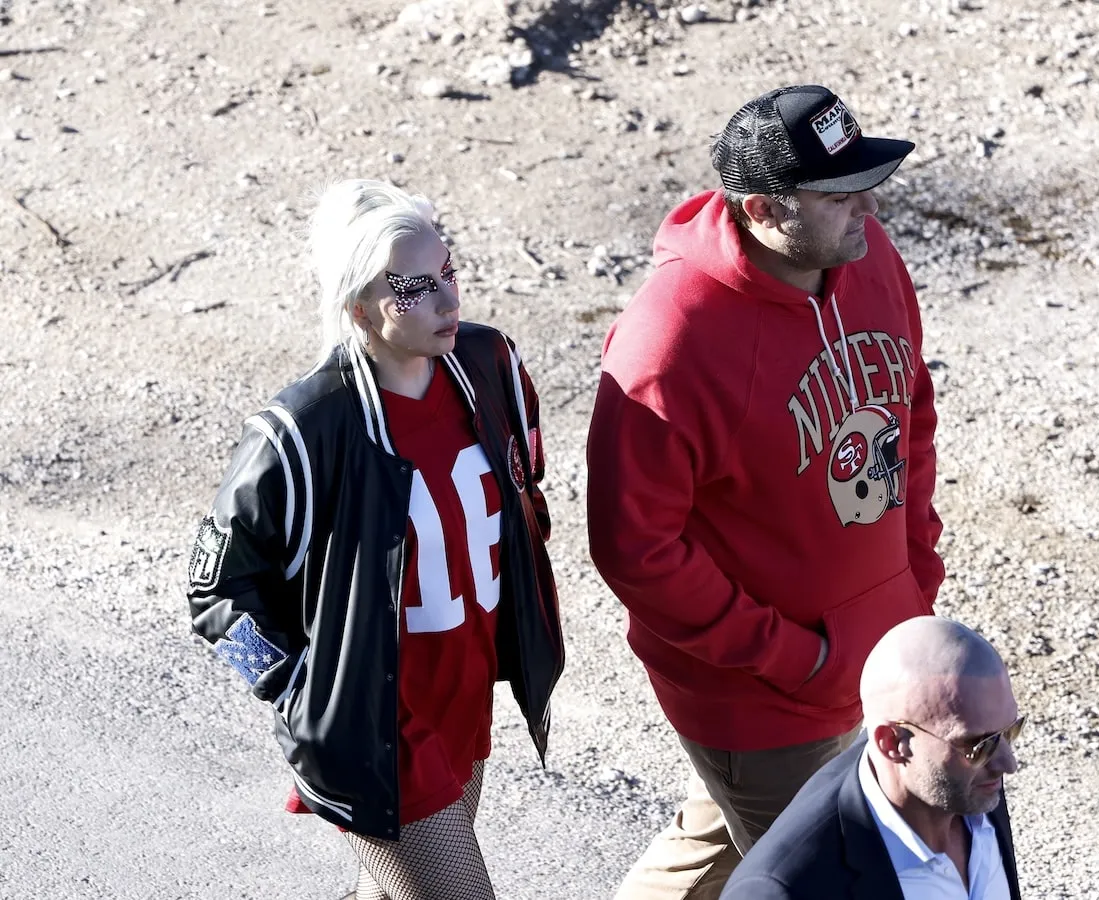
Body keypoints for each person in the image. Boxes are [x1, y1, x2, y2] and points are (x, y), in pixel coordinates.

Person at [587, 84, 945, 898]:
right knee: (834, 882)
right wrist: (797, 658)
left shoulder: (867, 256)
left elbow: (909, 411)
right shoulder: (670, 343)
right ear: (763, 209)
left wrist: (914, 577)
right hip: (754, 695)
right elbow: (635, 551)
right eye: (840, 193)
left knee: (718, 840)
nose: (868, 205)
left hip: (869, 649)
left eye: (866, 181)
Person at [186, 179, 564, 900]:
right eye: (416, 288)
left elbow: (524, 491)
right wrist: (302, 690)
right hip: (378, 728)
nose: (449, 301)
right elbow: (214, 591)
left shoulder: (490, 367)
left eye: (448, 273)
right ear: (358, 307)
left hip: (465, 691)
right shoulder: (306, 426)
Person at [721, 616, 1023, 899]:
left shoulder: (971, 778)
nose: (1007, 765)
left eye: (1010, 731)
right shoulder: (786, 889)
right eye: (979, 745)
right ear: (892, 743)